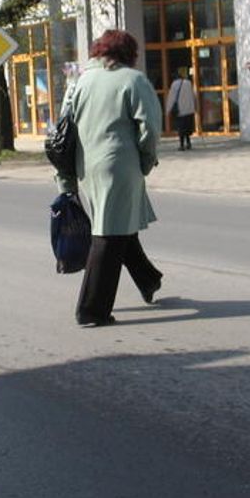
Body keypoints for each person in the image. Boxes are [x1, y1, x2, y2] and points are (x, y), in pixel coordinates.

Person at [55, 30, 164, 328]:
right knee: (107, 235)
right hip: (120, 166)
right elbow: (150, 129)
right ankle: (92, 309)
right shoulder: (133, 80)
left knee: (116, 224)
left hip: (86, 167)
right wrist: (145, 160)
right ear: (129, 53)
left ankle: (148, 279)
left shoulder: (80, 82)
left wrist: (65, 178)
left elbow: (63, 129)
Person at [166, 67, 197, 150]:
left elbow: (172, 97)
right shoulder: (188, 83)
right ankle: (189, 143)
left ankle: (181, 145)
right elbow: (193, 95)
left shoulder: (174, 84)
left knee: (181, 128)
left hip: (180, 110)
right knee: (187, 127)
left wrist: (168, 109)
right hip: (189, 109)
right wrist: (195, 106)